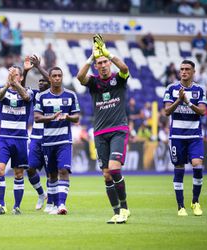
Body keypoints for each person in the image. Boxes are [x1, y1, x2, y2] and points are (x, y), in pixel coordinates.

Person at [77, 34, 131, 224]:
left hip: (118, 130)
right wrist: (91, 57)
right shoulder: (93, 82)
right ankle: (116, 212)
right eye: (98, 63)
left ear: (109, 63)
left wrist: (108, 53)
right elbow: (79, 77)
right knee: (106, 175)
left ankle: (125, 208)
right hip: (99, 133)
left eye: (104, 62)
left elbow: (124, 68)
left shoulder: (119, 79)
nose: (102, 65)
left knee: (115, 170)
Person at [163, 60, 207, 217]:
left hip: (194, 135)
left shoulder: (200, 90)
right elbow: (167, 111)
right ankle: (180, 206)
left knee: (197, 165)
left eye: (187, 69)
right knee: (179, 168)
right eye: (181, 69)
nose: (184, 72)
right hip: (176, 136)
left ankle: (195, 201)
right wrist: (179, 100)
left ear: (193, 72)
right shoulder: (171, 88)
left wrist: (187, 102)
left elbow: (202, 112)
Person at [34, 66, 80, 215]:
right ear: (50, 78)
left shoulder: (71, 95)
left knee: (64, 170)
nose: (57, 78)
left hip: (64, 141)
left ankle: (61, 204)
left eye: (59, 76)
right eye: (54, 76)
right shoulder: (42, 97)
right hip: (47, 141)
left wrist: (67, 116)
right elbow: (37, 117)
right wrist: (52, 117)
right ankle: (52, 204)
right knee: (52, 175)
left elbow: (77, 117)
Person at [0, 65, 33, 215]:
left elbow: (27, 98)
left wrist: (15, 84)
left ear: (21, 77)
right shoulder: (4, 92)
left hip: (20, 138)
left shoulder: (28, 91)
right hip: (4, 138)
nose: (13, 77)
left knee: (18, 174)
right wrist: (7, 84)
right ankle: (1, 205)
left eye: (16, 75)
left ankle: (17, 207)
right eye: (11, 74)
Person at [23, 55, 51, 211]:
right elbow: (22, 89)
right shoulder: (35, 95)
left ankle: (52, 202)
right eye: (39, 82)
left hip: (50, 137)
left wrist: (39, 67)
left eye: (43, 82)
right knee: (30, 168)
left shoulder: (54, 95)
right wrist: (26, 72)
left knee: (51, 173)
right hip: (35, 137)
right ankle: (41, 194)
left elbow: (53, 80)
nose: (40, 84)